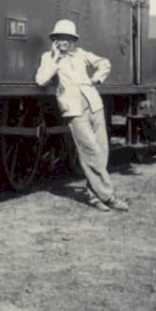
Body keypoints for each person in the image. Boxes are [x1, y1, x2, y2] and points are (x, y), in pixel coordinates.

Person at [34, 19, 129, 212]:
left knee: (101, 149)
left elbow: (105, 63)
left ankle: (94, 195)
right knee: (90, 150)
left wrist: (96, 78)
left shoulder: (81, 55)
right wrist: (55, 60)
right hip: (73, 109)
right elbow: (41, 80)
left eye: (67, 39)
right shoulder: (48, 57)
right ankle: (108, 196)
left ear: (73, 40)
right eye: (60, 39)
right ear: (54, 40)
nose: (64, 43)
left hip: (94, 104)